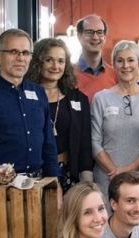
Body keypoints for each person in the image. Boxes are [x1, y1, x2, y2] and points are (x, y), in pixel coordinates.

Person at [0, 29, 61, 188]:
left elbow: (48, 143)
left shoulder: (38, 92)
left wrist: (54, 183)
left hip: (38, 185)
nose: (20, 58)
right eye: (14, 52)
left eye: (25, 53)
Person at [91, 40, 139, 204]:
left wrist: (129, 170)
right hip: (107, 178)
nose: (125, 65)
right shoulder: (101, 98)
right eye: (120, 61)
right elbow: (94, 141)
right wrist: (114, 171)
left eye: (130, 60)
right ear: (113, 65)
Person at [26, 38, 93, 193]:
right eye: (49, 60)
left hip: (68, 173)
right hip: (34, 174)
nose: (55, 66)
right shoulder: (23, 96)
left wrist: (87, 181)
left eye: (61, 61)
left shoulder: (78, 99)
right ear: (38, 62)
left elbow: (85, 144)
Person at [74, 15, 116, 102]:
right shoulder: (67, 75)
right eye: (89, 32)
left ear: (105, 37)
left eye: (100, 32)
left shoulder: (115, 75)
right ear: (79, 36)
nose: (95, 37)